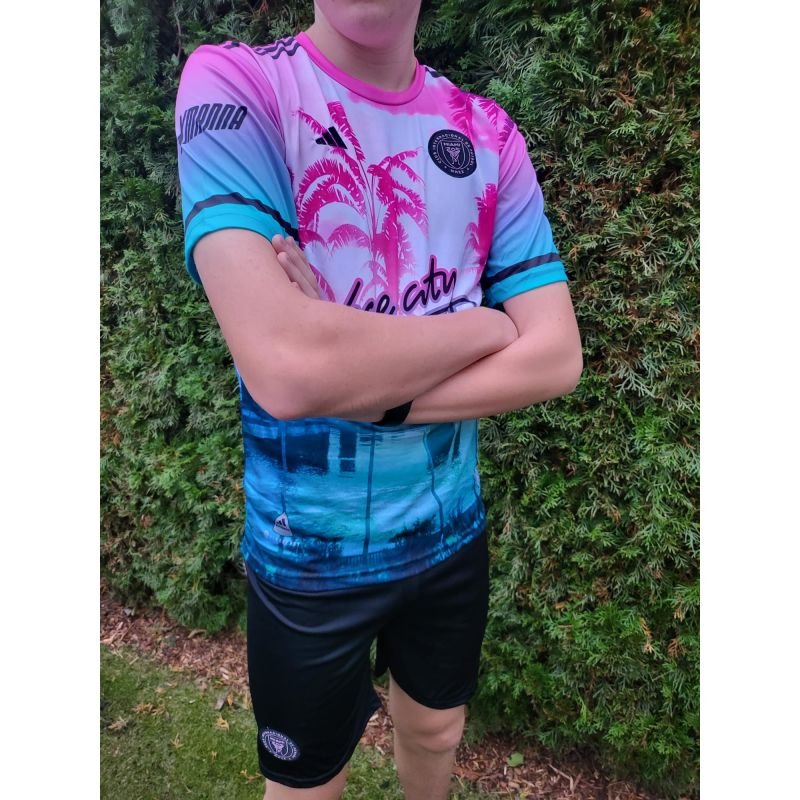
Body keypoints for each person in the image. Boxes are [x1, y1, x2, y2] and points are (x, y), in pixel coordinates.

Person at [175, 1, 582, 797]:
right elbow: (289, 367)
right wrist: (484, 324)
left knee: (437, 730)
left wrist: (365, 385)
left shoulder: (488, 133)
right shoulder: (238, 84)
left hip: (450, 530)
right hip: (307, 554)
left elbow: (557, 356)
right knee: (307, 782)